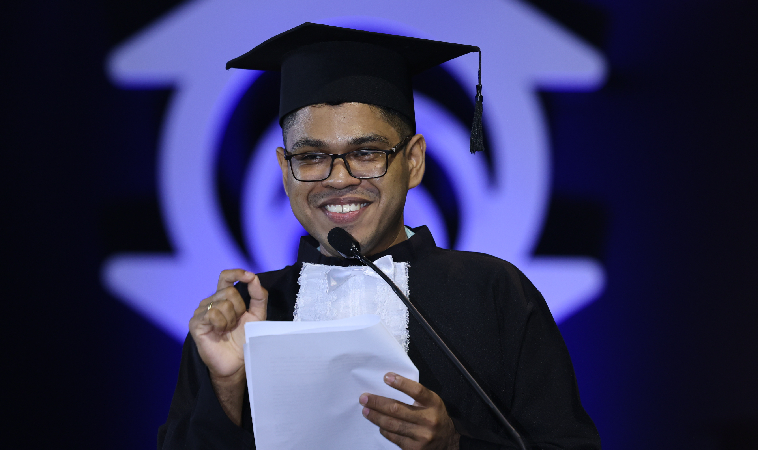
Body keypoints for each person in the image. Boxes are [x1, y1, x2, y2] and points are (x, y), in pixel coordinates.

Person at [158, 23, 600, 449]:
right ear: (283, 169)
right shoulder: (242, 317)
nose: (337, 179)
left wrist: (454, 447)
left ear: (413, 161)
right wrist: (228, 385)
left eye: (366, 153)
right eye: (311, 157)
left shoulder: (494, 292)